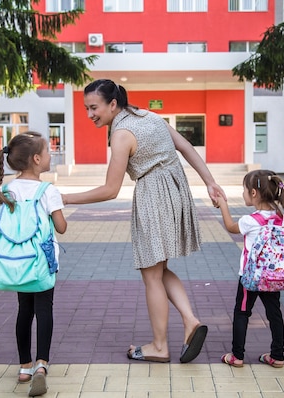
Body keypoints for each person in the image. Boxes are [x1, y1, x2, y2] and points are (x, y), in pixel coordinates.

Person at [62, 79, 226, 363]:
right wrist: (210, 182)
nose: (90, 114)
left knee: (151, 275)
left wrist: (63, 198)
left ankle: (159, 346)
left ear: (113, 104)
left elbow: (110, 190)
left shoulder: (122, 134)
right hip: (176, 189)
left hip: (153, 195)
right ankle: (190, 320)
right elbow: (185, 146)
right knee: (160, 269)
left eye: (94, 108)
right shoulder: (149, 116)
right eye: (86, 108)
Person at [0, 131, 67, 396]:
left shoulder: (6, 190)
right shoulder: (47, 190)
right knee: (44, 309)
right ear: (37, 159)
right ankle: (42, 365)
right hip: (41, 263)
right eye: (47, 152)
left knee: (24, 311)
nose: (50, 155)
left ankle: (24, 366)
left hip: (16, 262)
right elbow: (61, 227)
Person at [214, 169, 284, 368]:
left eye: (244, 189)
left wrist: (223, 205)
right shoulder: (280, 217)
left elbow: (230, 226)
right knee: (275, 314)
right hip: (273, 276)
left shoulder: (251, 220)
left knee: (242, 312)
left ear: (253, 194)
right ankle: (277, 356)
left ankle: (237, 356)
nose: (243, 193)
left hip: (251, 277)